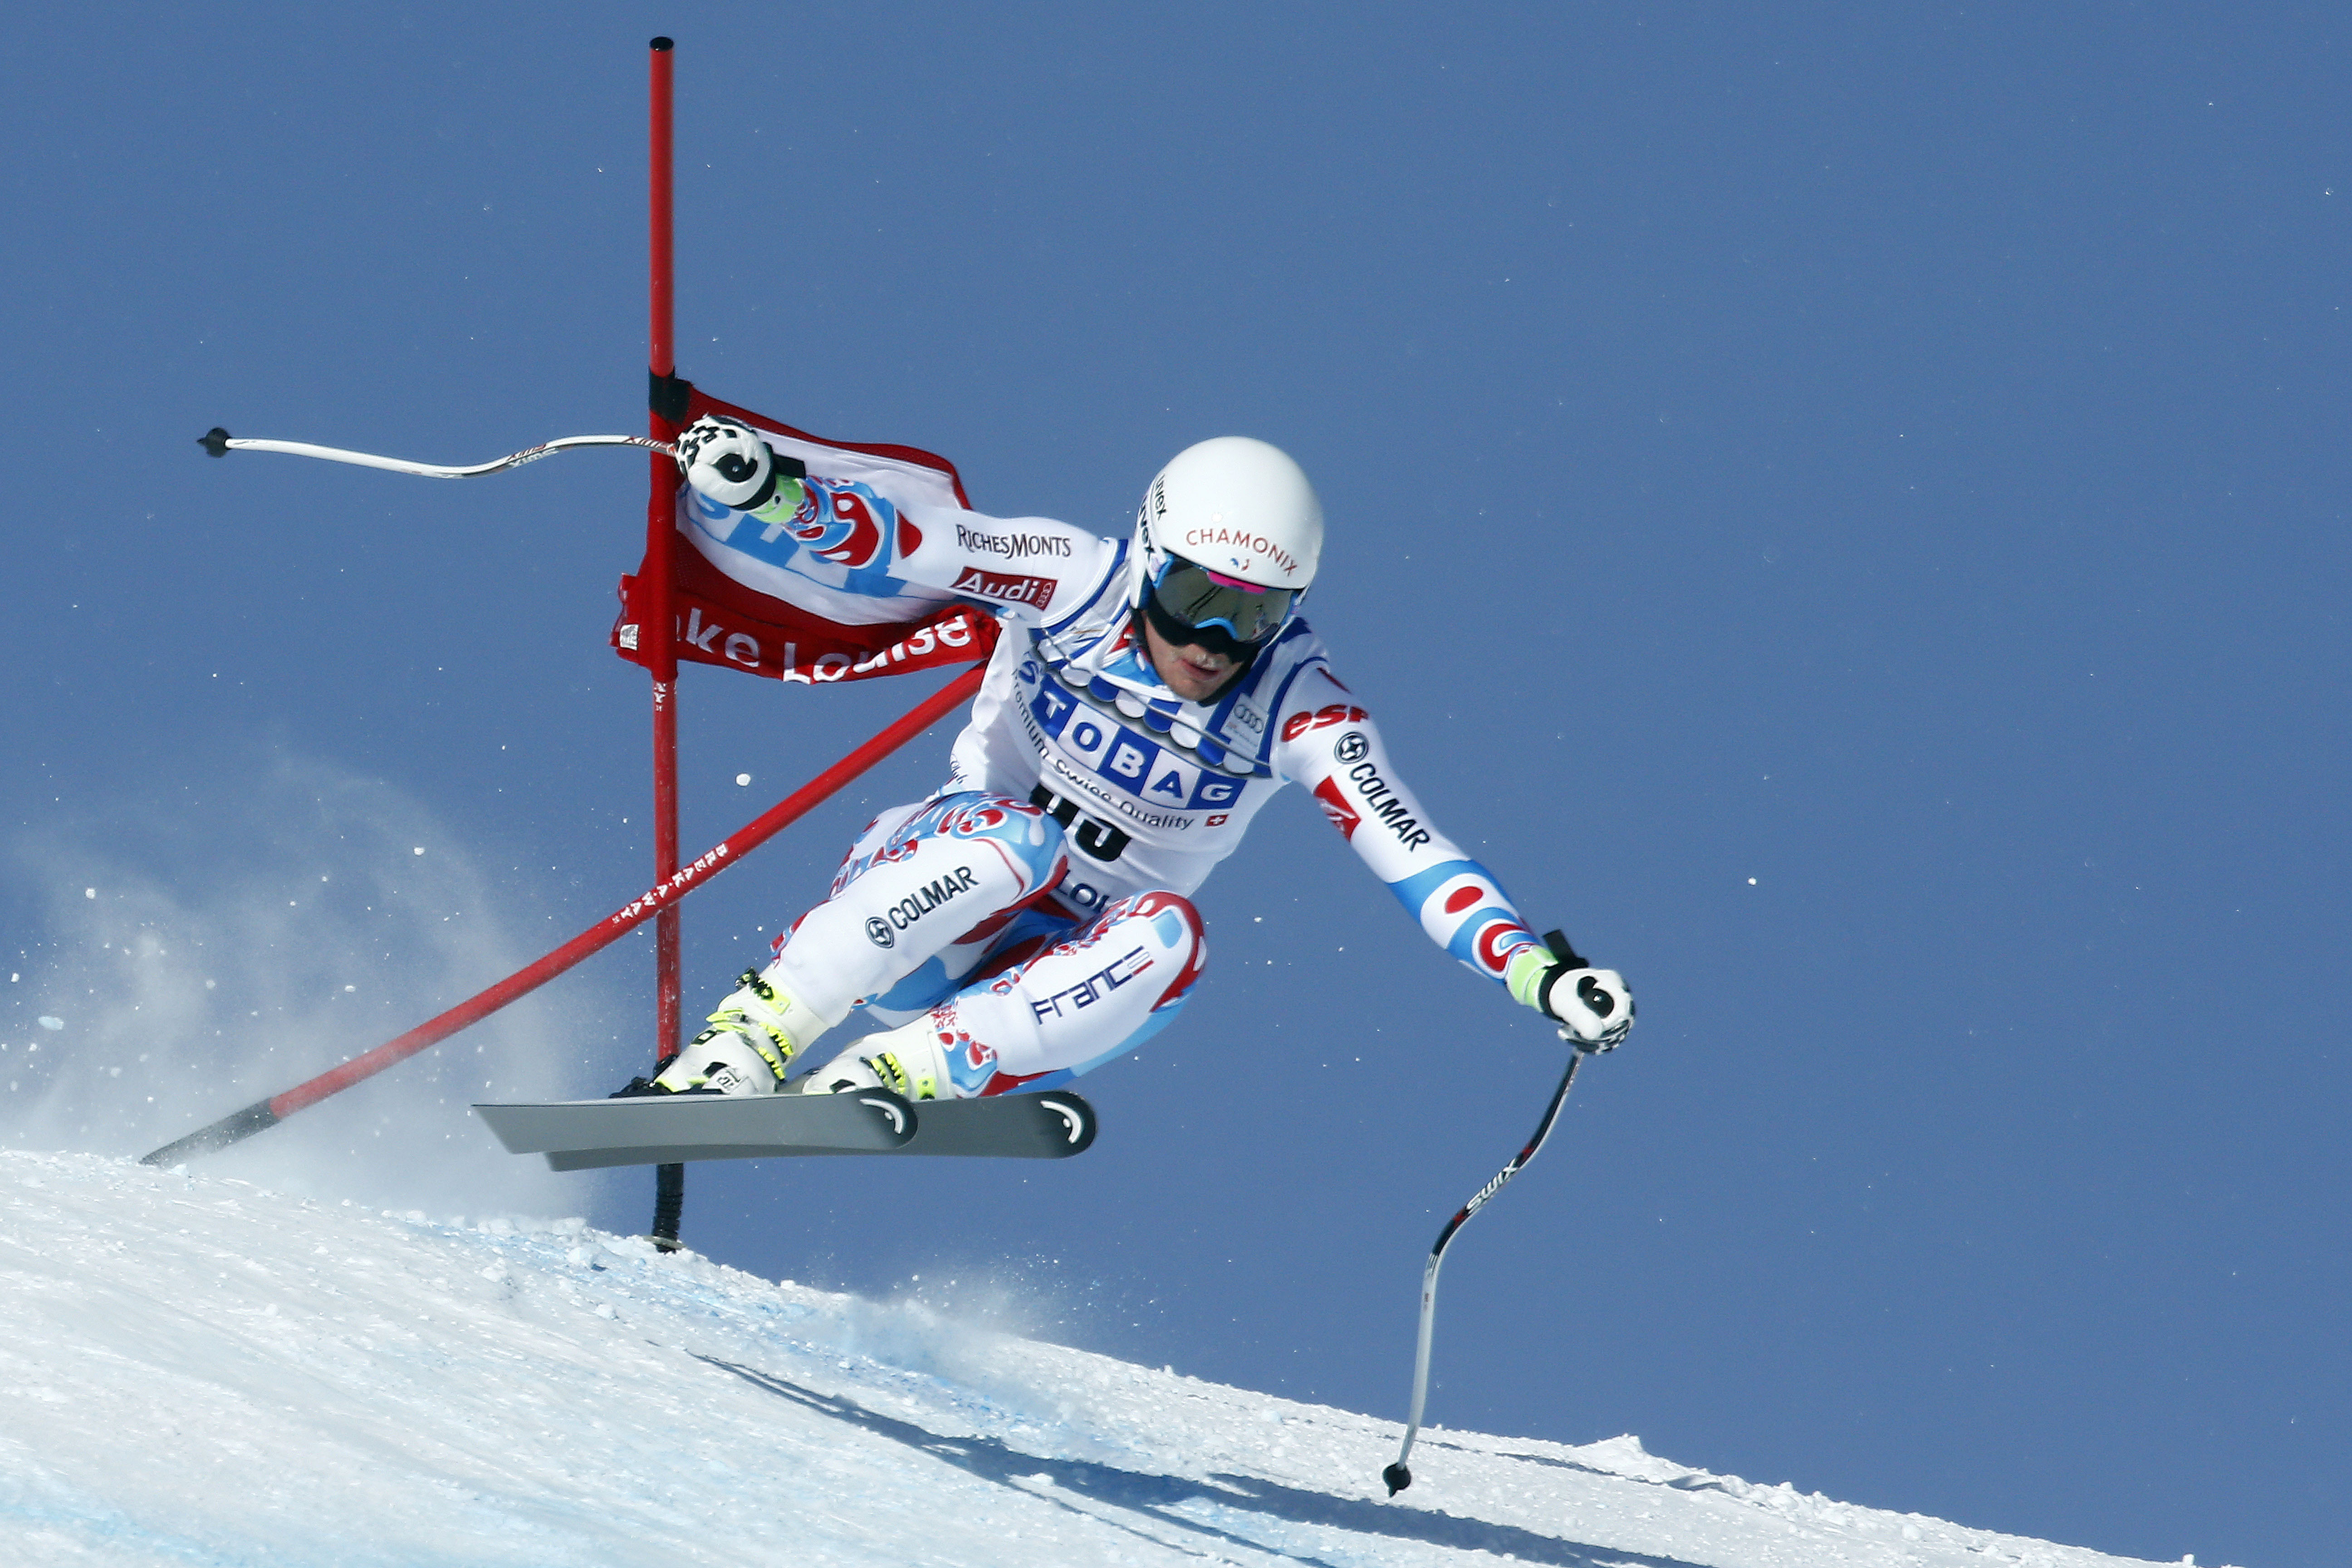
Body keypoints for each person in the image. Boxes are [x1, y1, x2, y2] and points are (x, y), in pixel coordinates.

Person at [621, 417, 1632, 1102]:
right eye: (1197, 598)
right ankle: (750, 1040)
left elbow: (1413, 856)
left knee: (1174, 938)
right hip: (931, 894)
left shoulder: (1299, 707)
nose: (1214, 642)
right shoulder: (1072, 579)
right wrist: (772, 493)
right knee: (1016, 842)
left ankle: (905, 1070)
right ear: (1151, 557)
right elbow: (911, 543)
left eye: (1254, 617)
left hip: (1049, 980)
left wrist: (1539, 975)